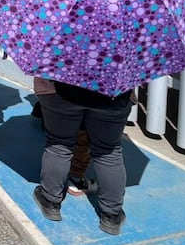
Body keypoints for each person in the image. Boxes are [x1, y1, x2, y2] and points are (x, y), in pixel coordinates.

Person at [32, 80, 133, 236]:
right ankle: (111, 216)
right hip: (113, 96)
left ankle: (51, 201)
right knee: (108, 152)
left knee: (59, 145)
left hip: (62, 91)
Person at [33, 78, 96, 196]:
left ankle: (50, 197)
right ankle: (76, 179)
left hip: (53, 90)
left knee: (58, 144)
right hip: (93, 92)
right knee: (85, 135)